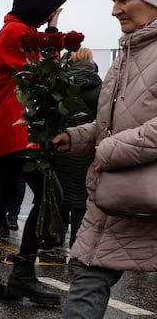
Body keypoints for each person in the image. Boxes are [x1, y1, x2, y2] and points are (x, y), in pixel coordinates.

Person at [14, 0, 157, 319]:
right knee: (89, 266)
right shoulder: (127, 53)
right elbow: (110, 123)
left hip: (142, 187)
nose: (115, 10)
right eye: (113, 0)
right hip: (120, 191)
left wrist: (108, 150)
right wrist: (76, 137)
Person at [0, 0, 67, 305]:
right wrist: (53, 32)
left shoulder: (14, 30)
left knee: (2, 197)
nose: (53, 14)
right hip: (16, 126)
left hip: (8, 124)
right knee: (51, 197)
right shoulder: (18, 33)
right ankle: (22, 275)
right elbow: (44, 72)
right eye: (53, 8)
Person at [52, 48, 101, 248]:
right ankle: (77, 241)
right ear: (90, 60)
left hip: (63, 144)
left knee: (61, 192)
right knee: (81, 198)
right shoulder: (98, 86)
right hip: (85, 149)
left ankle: (56, 234)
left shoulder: (60, 85)